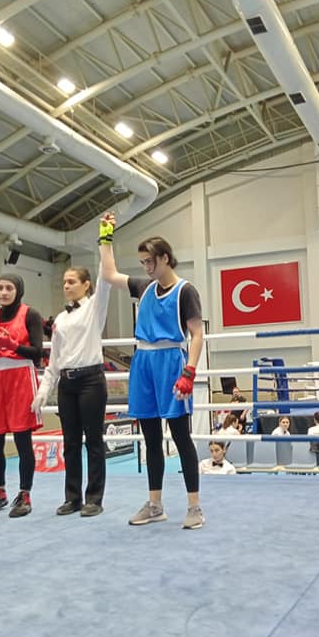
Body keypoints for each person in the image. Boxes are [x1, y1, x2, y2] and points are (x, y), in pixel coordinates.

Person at [99, 212, 205, 529]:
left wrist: (189, 372)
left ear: (165, 258)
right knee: (150, 437)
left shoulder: (185, 290)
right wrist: (105, 238)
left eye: (150, 261)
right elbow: (109, 274)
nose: (146, 267)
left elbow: (197, 333)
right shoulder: (144, 287)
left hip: (171, 361)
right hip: (143, 362)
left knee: (181, 436)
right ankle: (155, 505)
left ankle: (195, 507)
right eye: (143, 262)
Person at [31, 262, 111, 517]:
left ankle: (94, 498)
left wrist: (105, 244)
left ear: (86, 285)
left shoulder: (95, 307)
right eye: (64, 282)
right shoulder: (61, 319)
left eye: (72, 281)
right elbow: (54, 360)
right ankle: (73, 497)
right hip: (66, 383)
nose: (66, 286)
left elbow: (106, 280)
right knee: (71, 443)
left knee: (94, 442)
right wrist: (44, 390)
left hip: (91, 381)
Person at [0, 273, 44, 518]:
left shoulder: (30, 314)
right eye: (0, 288)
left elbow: (37, 352)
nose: (4, 292)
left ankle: (25, 495)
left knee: (22, 438)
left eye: (9, 288)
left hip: (21, 377)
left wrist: (11, 345)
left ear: (18, 291)